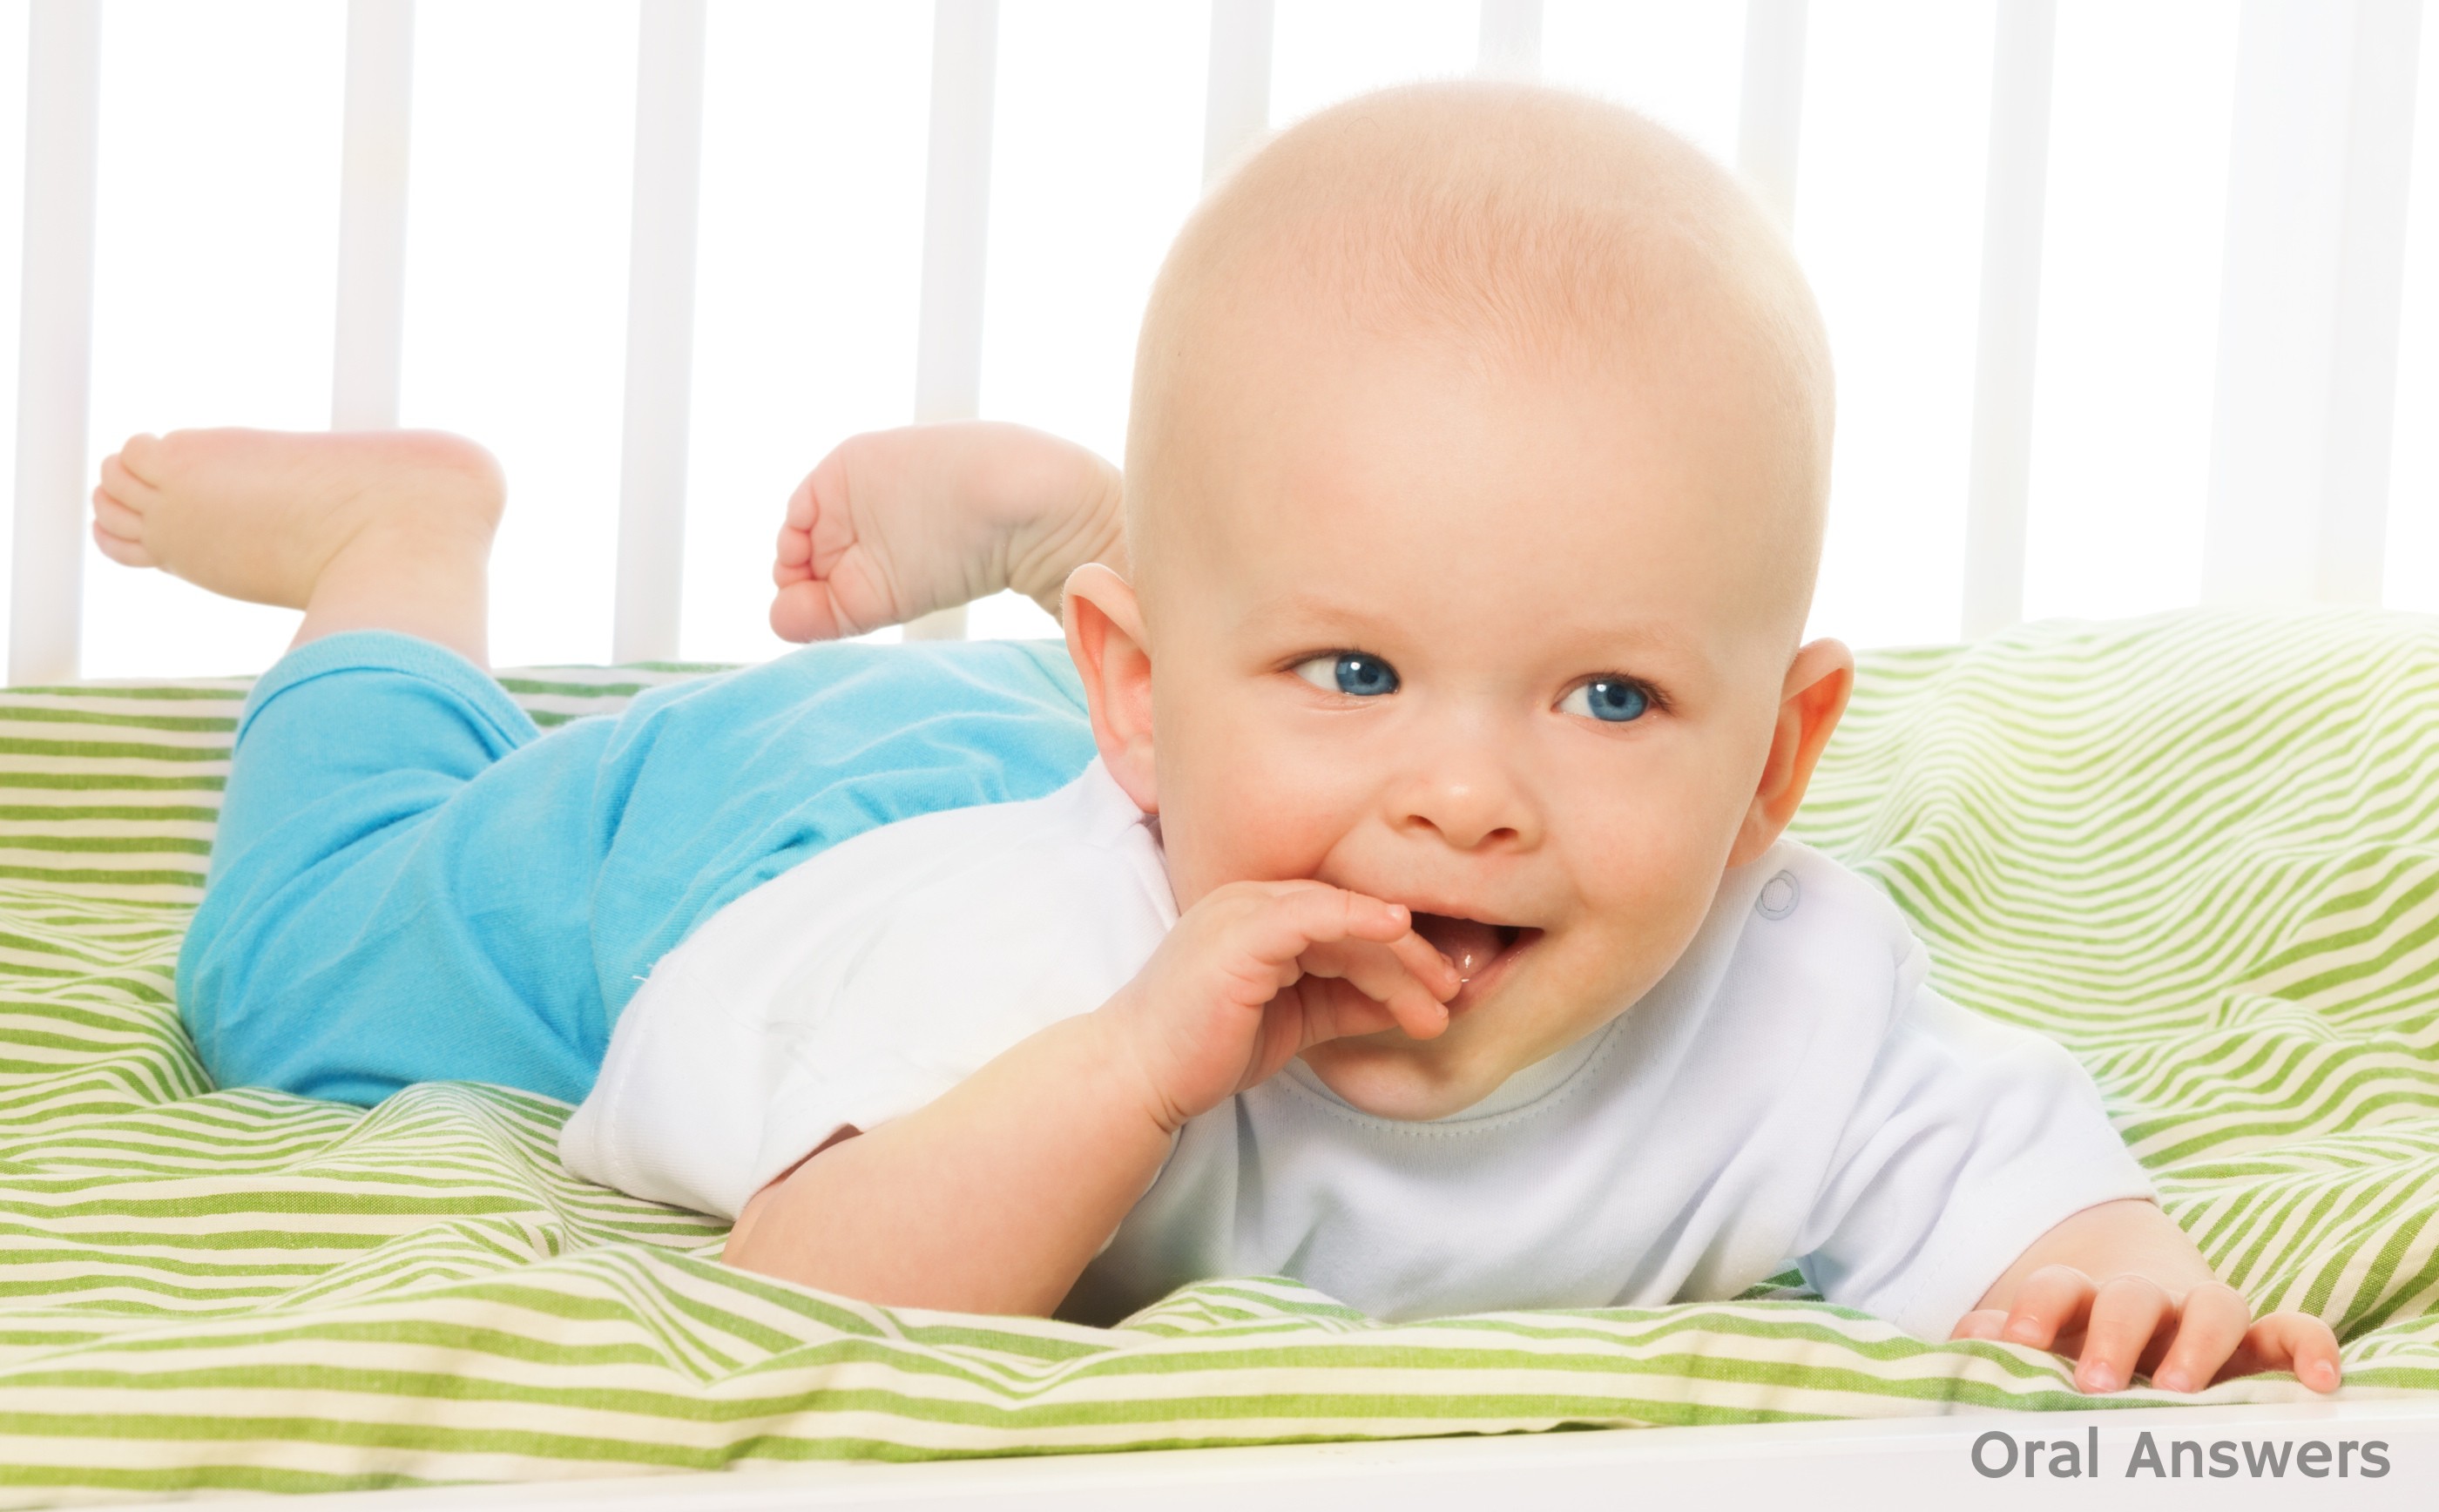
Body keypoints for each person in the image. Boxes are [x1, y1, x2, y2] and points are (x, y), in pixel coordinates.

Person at [91, 84, 2339, 1397]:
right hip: (796, 855)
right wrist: (1134, 1068)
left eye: (1613, 695)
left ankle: (1176, 559)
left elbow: (2013, 1186)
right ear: (1138, 691)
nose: (1472, 795)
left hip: (1179, 771)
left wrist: (2123, 1288)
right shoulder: (1019, 979)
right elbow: (815, 1289)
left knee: (1322, 626)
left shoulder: (1800, 985)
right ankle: (401, 548)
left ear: (1778, 762)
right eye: (1369, 672)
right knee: (291, 968)